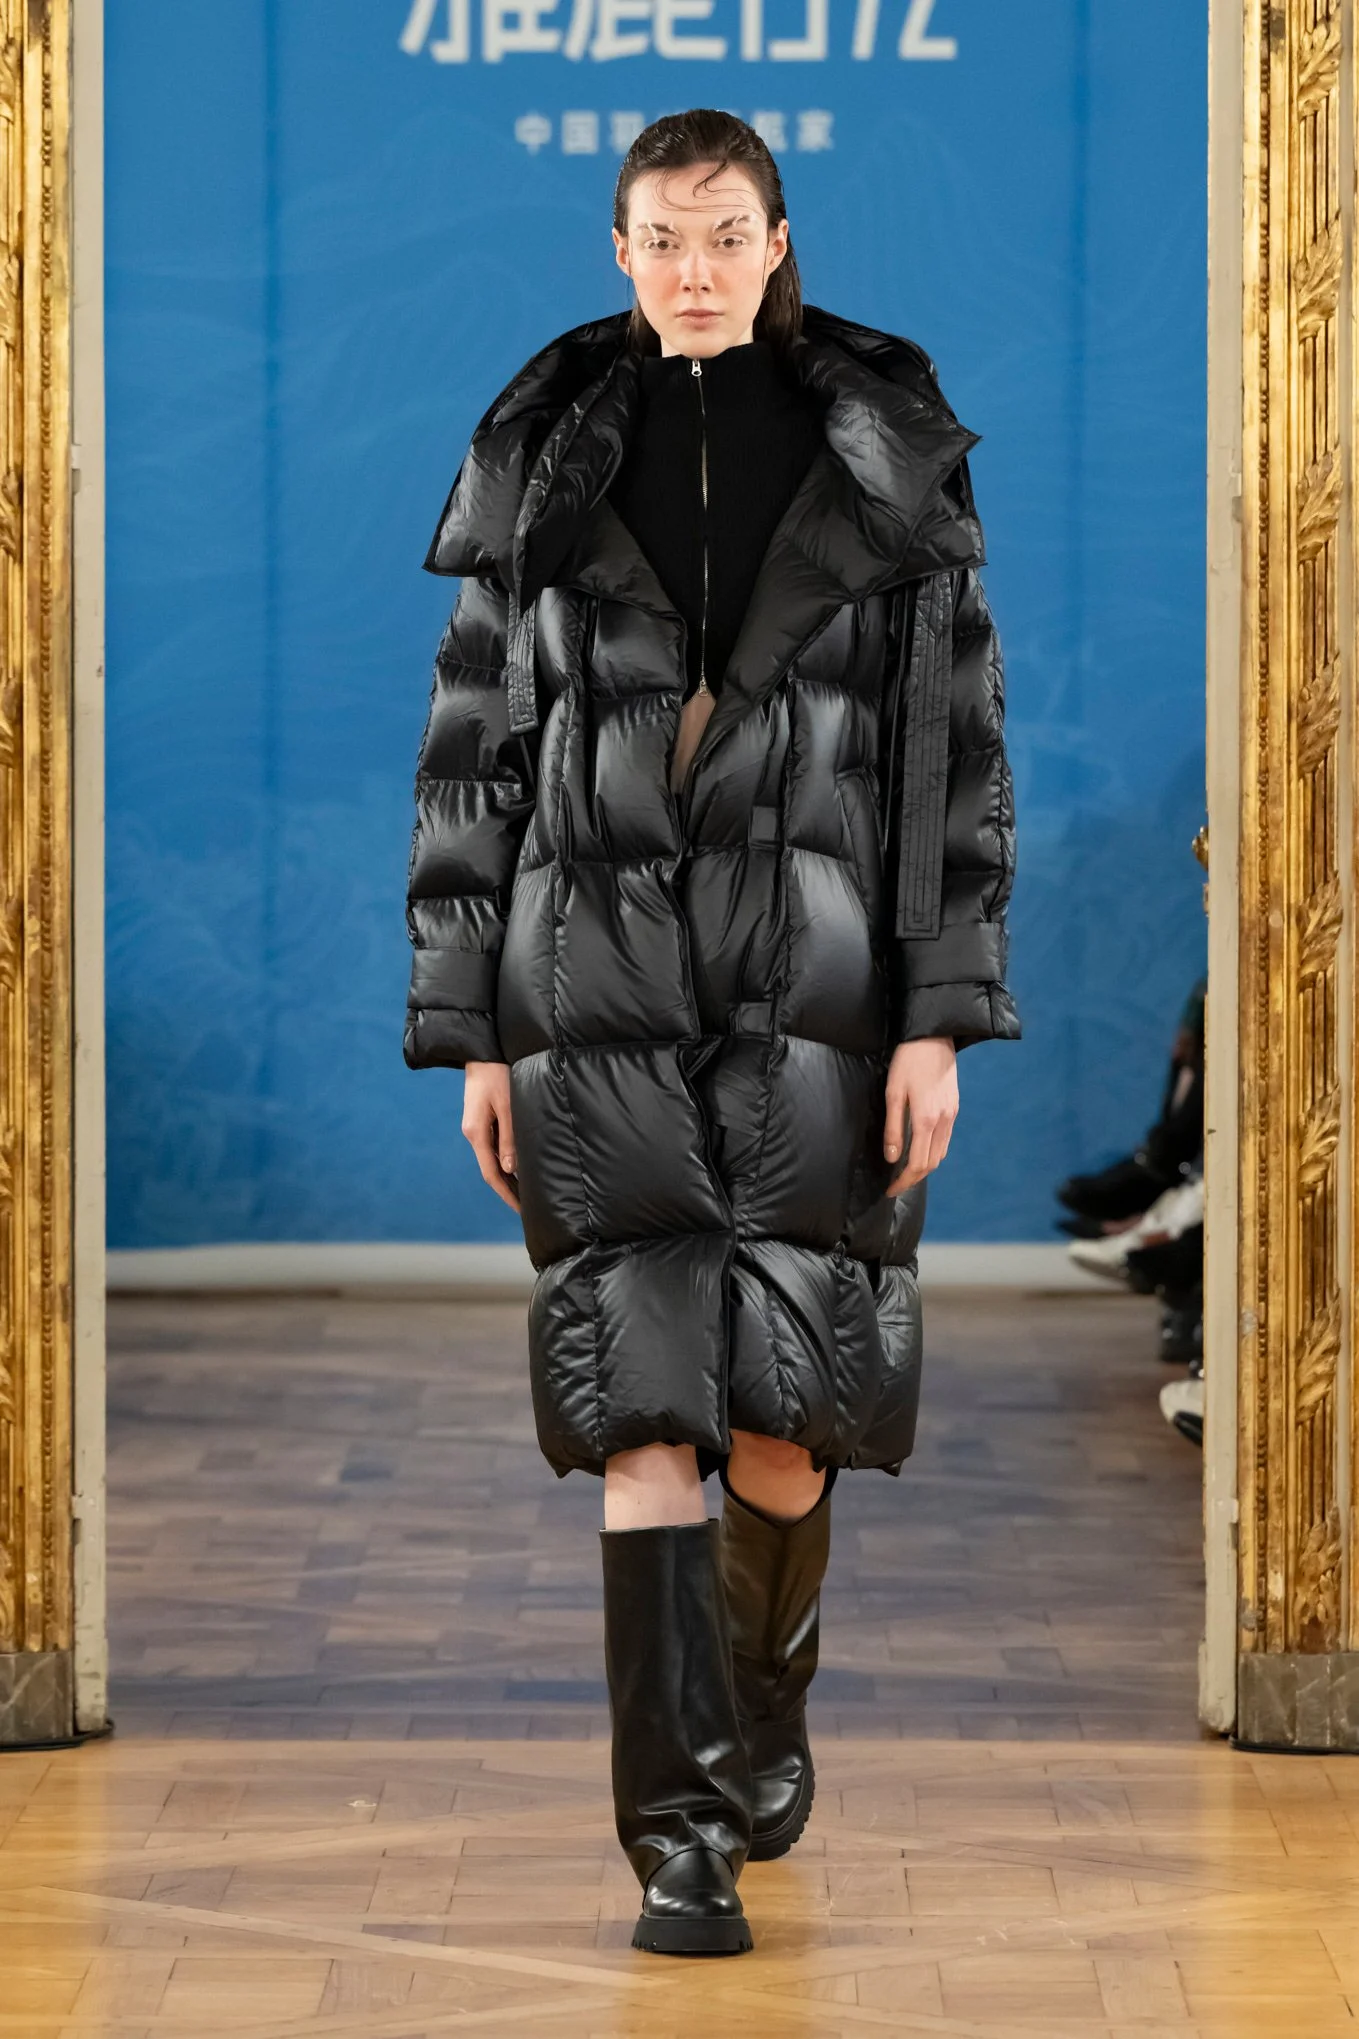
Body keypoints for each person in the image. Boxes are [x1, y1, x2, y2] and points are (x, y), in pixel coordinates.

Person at [402, 108, 1020, 1957]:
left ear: (776, 240)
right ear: (618, 249)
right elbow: (470, 760)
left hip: (819, 990)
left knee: (785, 1422)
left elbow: (950, 759)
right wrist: (472, 1028)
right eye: (661, 237)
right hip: (589, 989)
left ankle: (760, 1713)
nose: (692, 267)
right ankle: (678, 1835)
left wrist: (937, 1020)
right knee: (640, 1405)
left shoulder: (885, 458)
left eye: (724, 233)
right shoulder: (538, 459)